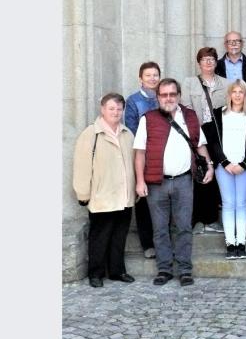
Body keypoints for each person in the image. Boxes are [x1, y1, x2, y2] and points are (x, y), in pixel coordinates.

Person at [134, 78, 215, 287]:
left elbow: (200, 145)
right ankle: (164, 269)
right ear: (158, 97)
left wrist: (210, 165)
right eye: (164, 95)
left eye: (172, 94)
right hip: (155, 183)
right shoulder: (148, 119)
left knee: (184, 227)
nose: (168, 98)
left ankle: (185, 270)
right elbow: (140, 153)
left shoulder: (190, 116)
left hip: (183, 181)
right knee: (160, 228)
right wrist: (140, 181)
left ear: (179, 96)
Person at [73, 93, 137, 288]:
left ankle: (117, 271)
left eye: (119, 109)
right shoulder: (91, 133)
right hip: (103, 195)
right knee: (100, 237)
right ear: (102, 109)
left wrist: (134, 192)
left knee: (119, 236)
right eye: (111, 108)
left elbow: (133, 164)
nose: (115, 112)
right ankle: (96, 273)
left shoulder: (127, 133)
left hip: (124, 196)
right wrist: (83, 193)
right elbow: (82, 166)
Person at [203, 80, 246, 259]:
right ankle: (230, 243)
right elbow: (213, 142)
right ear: (229, 94)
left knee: (242, 204)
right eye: (234, 92)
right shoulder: (218, 114)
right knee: (228, 204)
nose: (237, 95)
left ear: (245, 95)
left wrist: (244, 164)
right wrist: (225, 162)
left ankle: (241, 243)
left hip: (244, 167)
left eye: (241, 92)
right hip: (224, 166)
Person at [182, 47, 227, 234]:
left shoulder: (226, 83)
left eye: (211, 59)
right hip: (197, 131)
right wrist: (194, 131)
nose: (208, 62)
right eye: (204, 59)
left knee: (215, 174)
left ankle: (211, 218)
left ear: (216, 62)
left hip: (218, 134)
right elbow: (186, 107)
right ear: (199, 63)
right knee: (199, 173)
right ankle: (198, 219)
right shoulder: (189, 83)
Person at [124, 61, 160, 259]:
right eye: (148, 75)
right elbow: (131, 129)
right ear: (141, 78)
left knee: (162, 200)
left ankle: (162, 240)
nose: (152, 78)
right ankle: (148, 244)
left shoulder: (164, 97)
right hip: (143, 155)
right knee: (144, 201)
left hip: (162, 157)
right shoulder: (134, 101)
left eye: (155, 75)